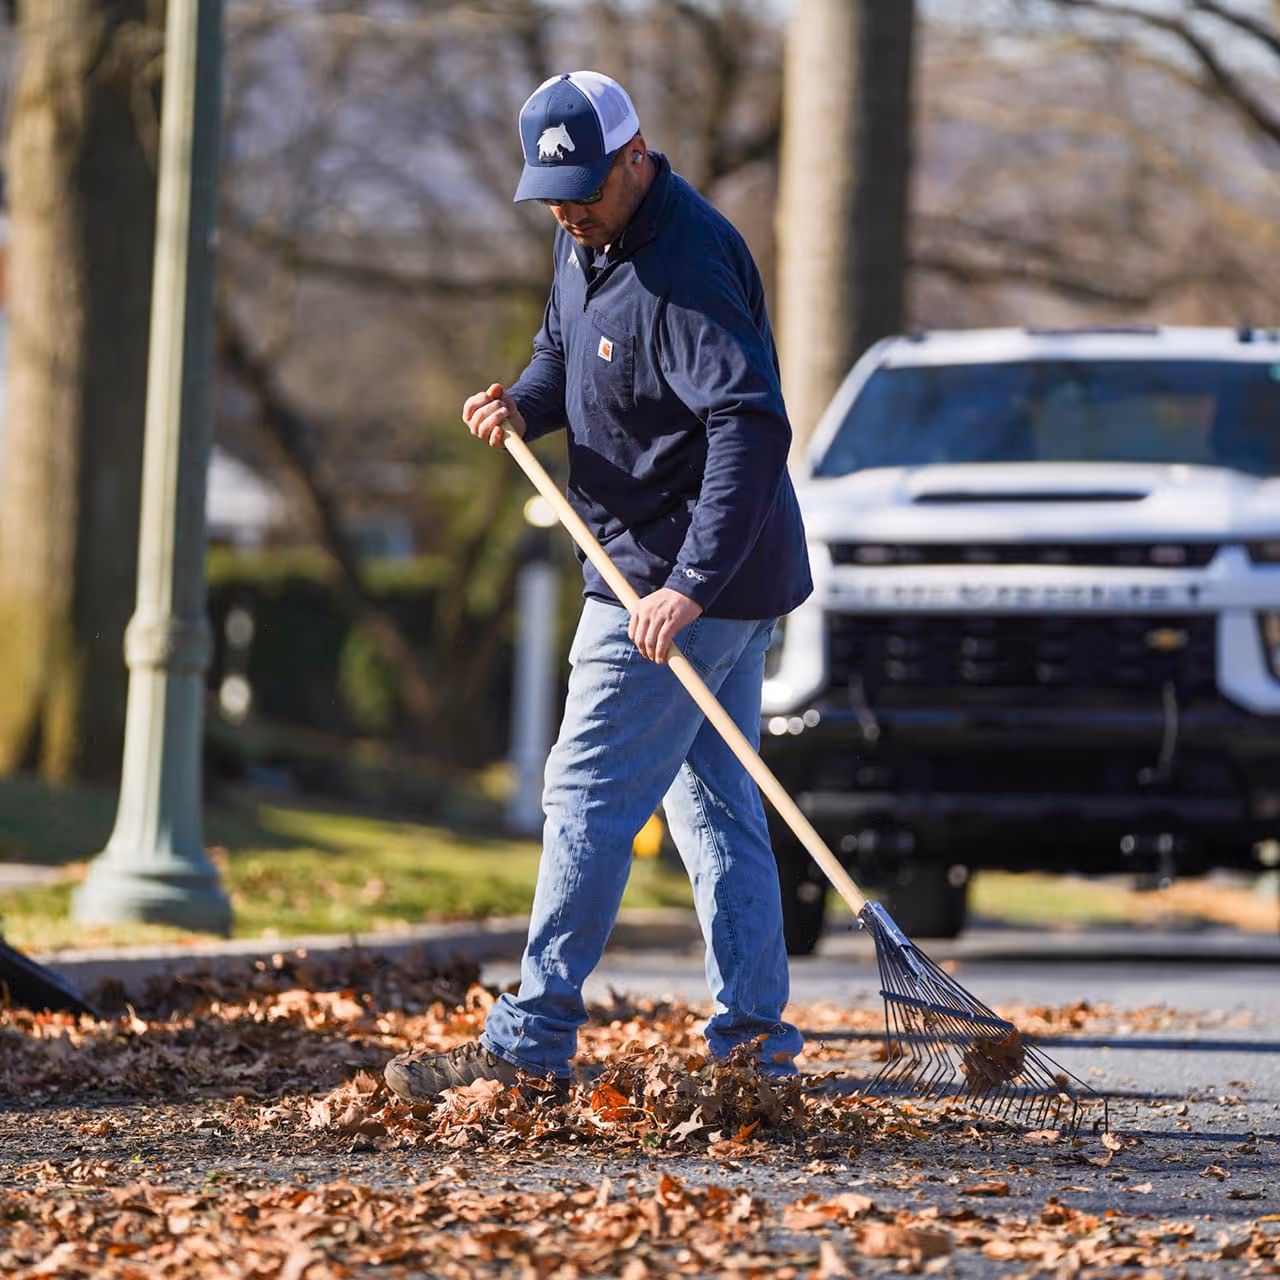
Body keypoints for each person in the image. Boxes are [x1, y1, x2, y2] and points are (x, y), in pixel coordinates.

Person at [384, 70, 813, 1102]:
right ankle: (754, 1048)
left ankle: (528, 1045)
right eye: (551, 195)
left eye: (583, 188)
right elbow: (559, 353)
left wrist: (688, 585)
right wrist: (521, 408)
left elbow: (750, 426)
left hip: (672, 583)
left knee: (583, 793)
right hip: (689, 574)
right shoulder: (585, 241)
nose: (568, 212)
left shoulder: (684, 266)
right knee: (716, 811)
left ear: (636, 158)